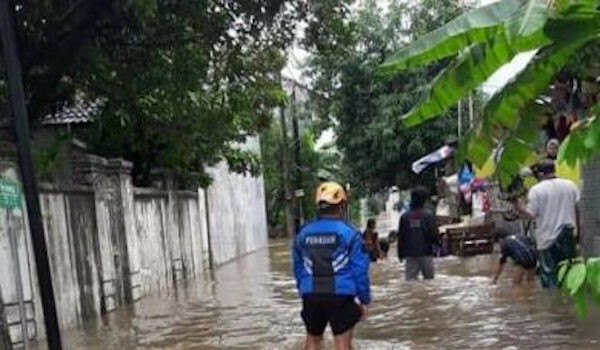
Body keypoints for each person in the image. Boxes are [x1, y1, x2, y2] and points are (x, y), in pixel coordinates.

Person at [293, 181, 370, 350]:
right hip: (341, 295)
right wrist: (364, 300)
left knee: (312, 341)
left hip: (311, 294)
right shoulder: (351, 234)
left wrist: (303, 289)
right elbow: (360, 271)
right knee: (342, 345)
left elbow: (298, 268)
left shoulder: (302, 234)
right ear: (342, 206)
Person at [513, 160, 580, 288]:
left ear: (540, 174)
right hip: (568, 235)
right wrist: (578, 235)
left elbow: (531, 214)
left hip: (547, 240)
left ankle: (552, 306)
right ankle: (568, 305)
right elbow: (578, 210)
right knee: (569, 276)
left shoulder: (536, 190)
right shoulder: (570, 185)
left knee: (550, 278)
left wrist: (519, 206)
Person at [397, 186, 439, 280]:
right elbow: (433, 233)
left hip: (410, 254)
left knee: (410, 280)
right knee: (429, 281)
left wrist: (400, 254)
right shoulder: (428, 215)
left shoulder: (404, 217)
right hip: (426, 252)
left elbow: (401, 236)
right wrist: (437, 245)